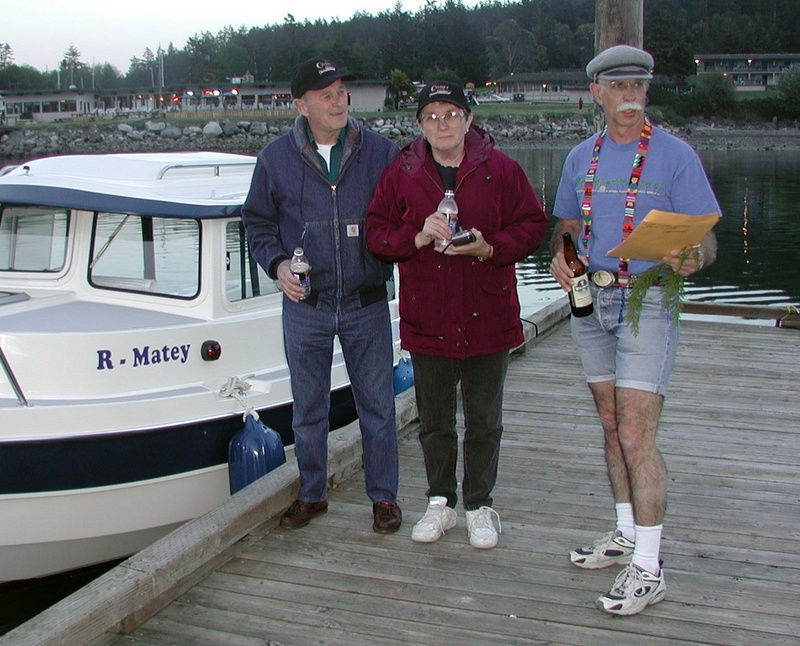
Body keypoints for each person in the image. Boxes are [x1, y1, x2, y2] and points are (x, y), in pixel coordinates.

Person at [549, 45, 721, 616]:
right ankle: (625, 533)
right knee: (607, 421)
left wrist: (694, 256)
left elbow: (707, 240)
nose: (629, 98)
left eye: (638, 88)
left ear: (647, 93)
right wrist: (563, 252)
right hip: (588, 301)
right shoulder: (580, 157)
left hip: (648, 304)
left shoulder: (676, 157)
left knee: (634, 435)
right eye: (617, 88)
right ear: (596, 93)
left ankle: (649, 568)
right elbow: (568, 225)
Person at [366, 81, 548, 549]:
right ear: (419, 125)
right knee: (435, 421)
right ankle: (439, 503)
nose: (442, 124)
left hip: (487, 315)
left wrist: (492, 248)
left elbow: (532, 225)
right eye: (431, 116)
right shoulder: (401, 173)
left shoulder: (501, 170)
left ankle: (480, 505)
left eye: (451, 114)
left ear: (469, 120)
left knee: (486, 419)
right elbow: (375, 233)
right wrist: (417, 236)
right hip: (428, 319)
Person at [242, 58, 402, 534]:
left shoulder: (382, 152)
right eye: (326, 94)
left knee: (377, 405)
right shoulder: (274, 158)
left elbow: (405, 214)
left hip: (366, 299)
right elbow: (257, 222)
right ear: (301, 104)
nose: (338, 101)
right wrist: (275, 265)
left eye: (341, 91)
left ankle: (384, 498)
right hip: (305, 304)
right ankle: (312, 493)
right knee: (307, 409)